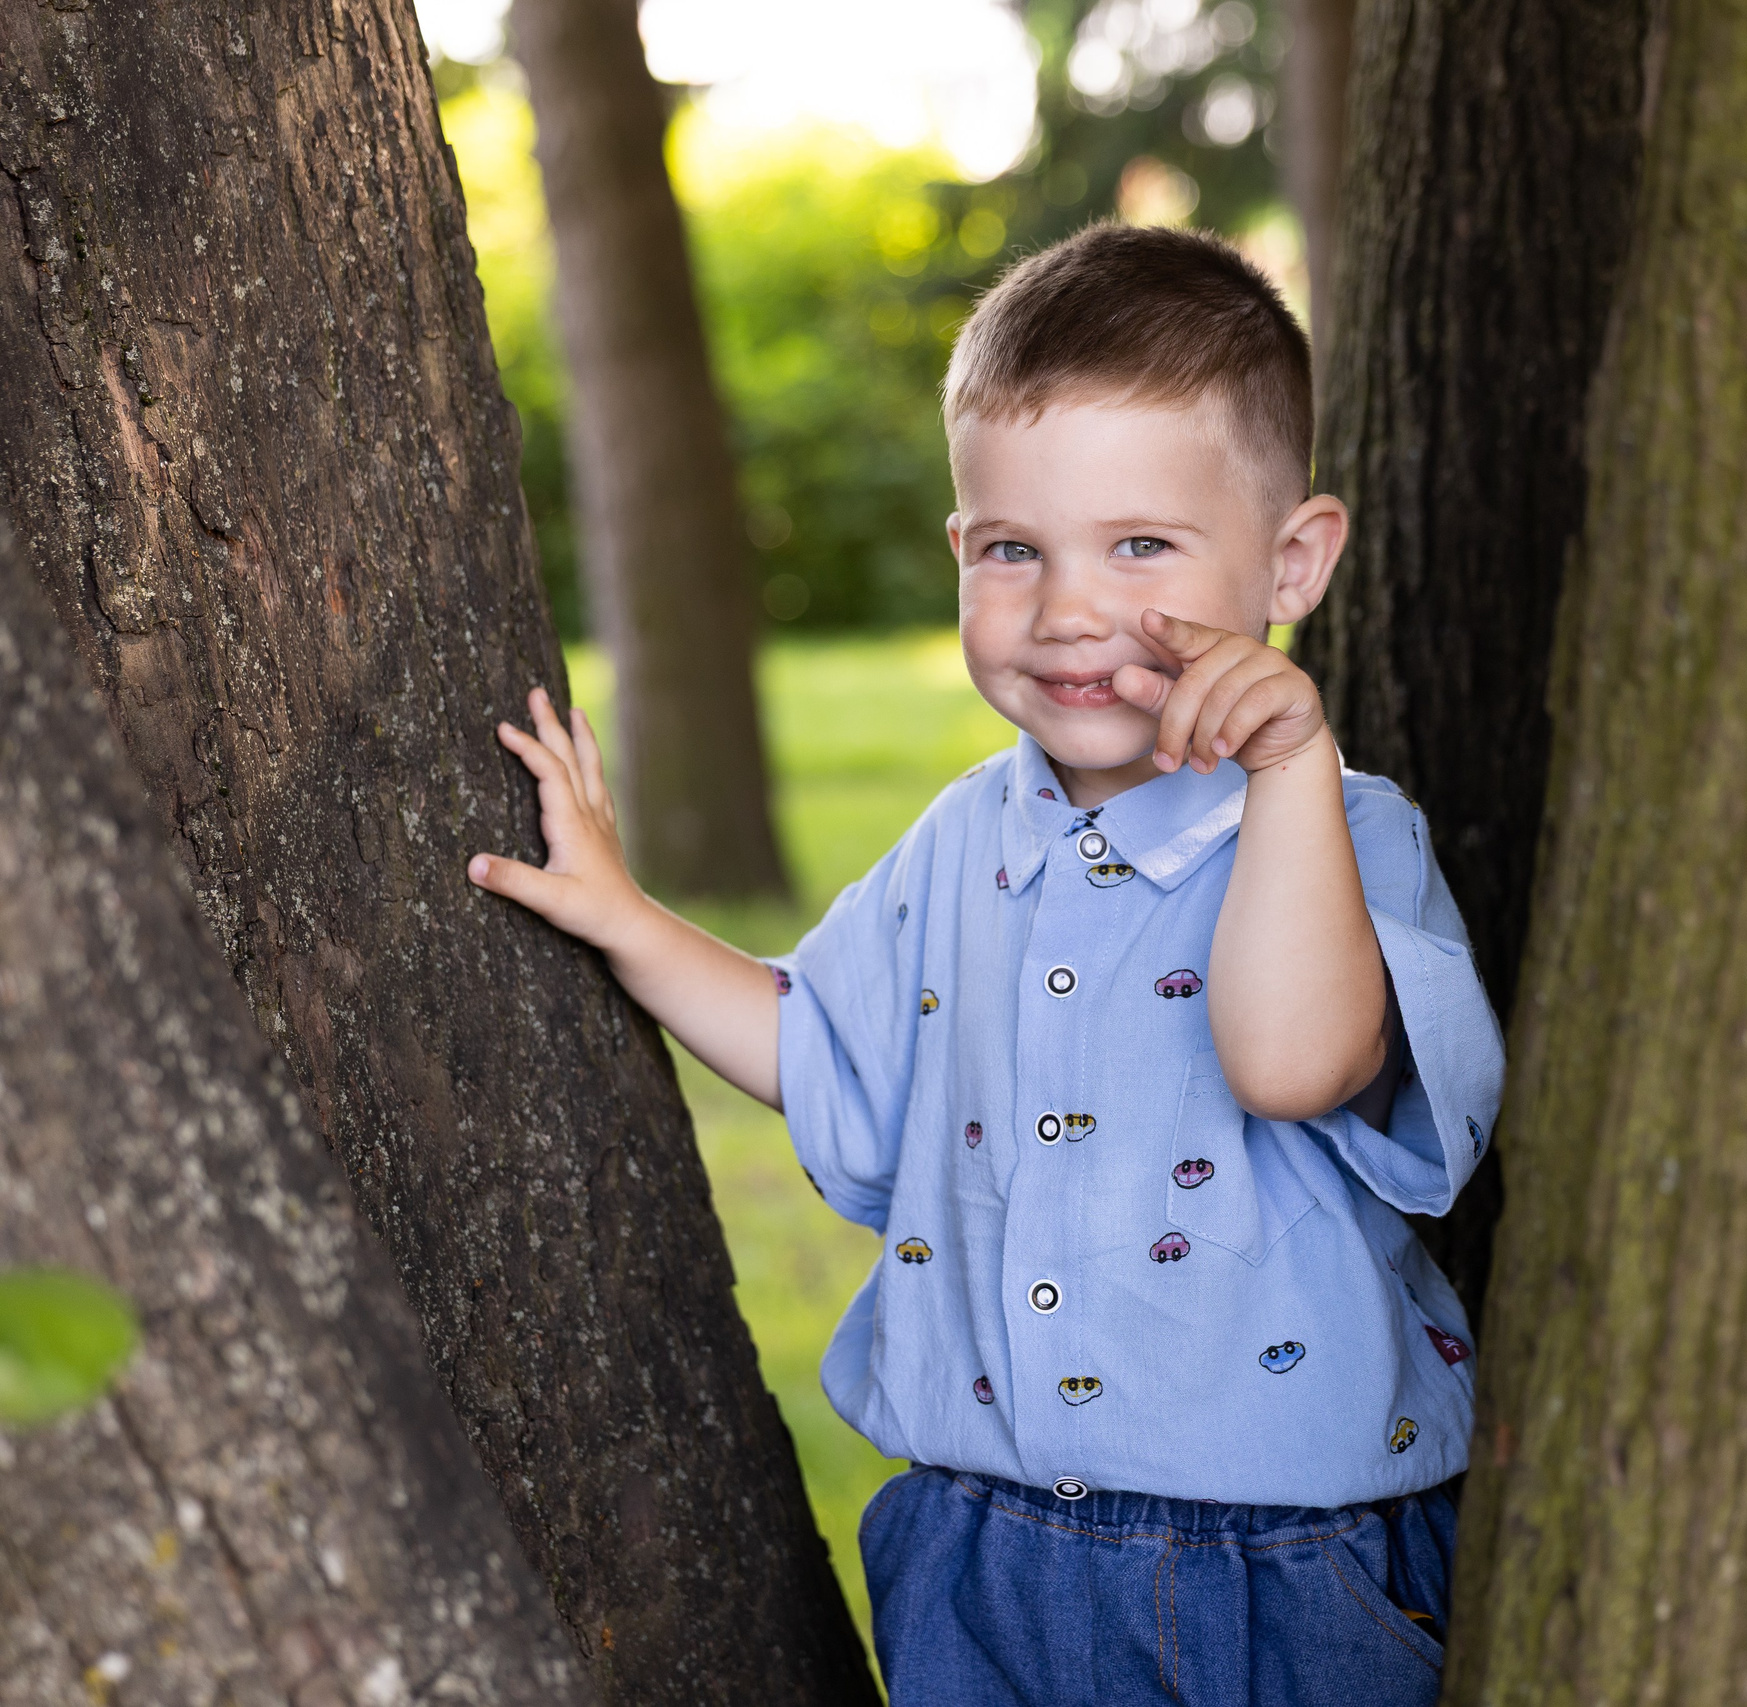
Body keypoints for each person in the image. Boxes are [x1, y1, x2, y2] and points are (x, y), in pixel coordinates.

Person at [467, 222, 1502, 1705]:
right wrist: (631, 917)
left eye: (1140, 545)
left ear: (1294, 558)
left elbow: (1294, 1062)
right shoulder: (966, 839)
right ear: (963, 551)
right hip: (981, 1548)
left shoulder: (1339, 831)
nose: (1070, 610)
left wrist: (1288, 768)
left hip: (1276, 1570)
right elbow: (823, 1049)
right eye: (1015, 549)